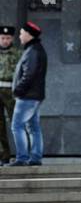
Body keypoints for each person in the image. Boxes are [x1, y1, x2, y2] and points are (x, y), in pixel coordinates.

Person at [5, 22, 47, 168]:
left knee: (17, 126)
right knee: (33, 127)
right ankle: (35, 157)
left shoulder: (33, 52)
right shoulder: (35, 49)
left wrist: (18, 91)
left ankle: (22, 158)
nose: (20, 36)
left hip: (27, 96)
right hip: (34, 95)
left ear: (29, 35)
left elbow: (29, 75)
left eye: (22, 33)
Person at [0, 26, 20, 164]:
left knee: (17, 123)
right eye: (2, 38)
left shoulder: (18, 54)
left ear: (12, 38)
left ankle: (22, 154)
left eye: (7, 38)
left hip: (12, 91)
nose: (5, 41)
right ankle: (3, 154)